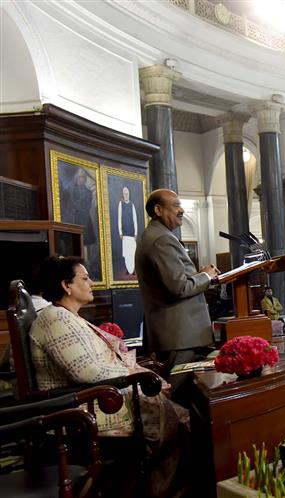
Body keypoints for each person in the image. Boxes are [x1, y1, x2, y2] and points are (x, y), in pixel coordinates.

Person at [30, 256, 187, 497]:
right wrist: (135, 372)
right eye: (85, 278)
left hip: (98, 397)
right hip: (79, 410)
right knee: (181, 419)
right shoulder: (55, 318)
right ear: (66, 285)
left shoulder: (67, 316)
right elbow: (87, 371)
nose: (91, 283)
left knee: (181, 415)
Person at [135, 189, 218, 367]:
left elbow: (173, 281)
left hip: (178, 336)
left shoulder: (155, 235)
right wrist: (206, 276)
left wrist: (198, 275)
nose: (181, 210)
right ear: (158, 210)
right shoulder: (162, 239)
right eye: (175, 205)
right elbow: (179, 287)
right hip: (179, 337)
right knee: (180, 391)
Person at [117, 186, 139, 275]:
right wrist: (120, 232)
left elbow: (135, 219)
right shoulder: (120, 204)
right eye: (124, 193)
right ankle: (128, 269)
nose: (126, 195)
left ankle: (133, 269)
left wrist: (136, 232)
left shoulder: (132, 205)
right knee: (126, 252)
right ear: (123, 194)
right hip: (125, 233)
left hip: (132, 233)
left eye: (127, 193)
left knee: (133, 251)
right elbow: (119, 218)